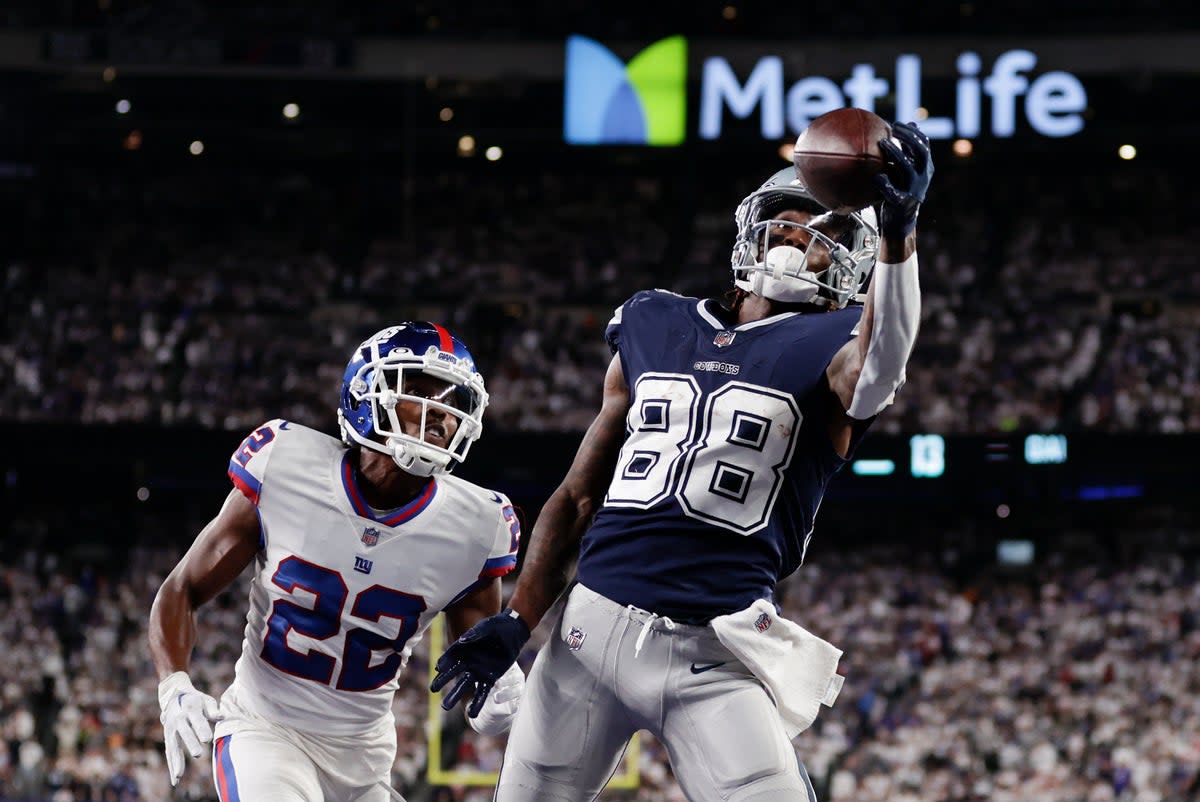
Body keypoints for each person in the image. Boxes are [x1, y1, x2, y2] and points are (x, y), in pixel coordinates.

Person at [431, 121, 934, 801]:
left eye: (820, 234)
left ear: (849, 265)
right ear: (748, 231)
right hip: (587, 634)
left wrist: (901, 239)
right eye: (783, 223)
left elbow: (883, 366)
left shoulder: (839, 340)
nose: (795, 236)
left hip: (715, 653)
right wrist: (519, 621)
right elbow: (578, 497)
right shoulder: (655, 320)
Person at [148, 322, 527, 802]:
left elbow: (476, 657)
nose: (441, 414)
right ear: (367, 394)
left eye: (452, 400)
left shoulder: (478, 526)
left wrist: (494, 689)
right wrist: (173, 684)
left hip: (366, 759)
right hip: (267, 731)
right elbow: (182, 589)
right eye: (418, 391)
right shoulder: (285, 465)